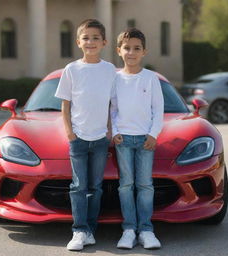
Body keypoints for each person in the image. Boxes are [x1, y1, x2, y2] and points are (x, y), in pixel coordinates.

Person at [55, 19, 116, 251]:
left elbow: (113, 104)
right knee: (78, 186)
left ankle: (90, 230)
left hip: (101, 139)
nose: (90, 42)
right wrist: (70, 133)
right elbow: (65, 105)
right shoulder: (71, 69)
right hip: (78, 138)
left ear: (104, 42)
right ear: (78, 41)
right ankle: (78, 231)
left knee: (96, 187)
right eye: (86, 38)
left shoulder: (110, 69)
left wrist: (110, 132)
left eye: (95, 38)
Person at [110, 28, 164, 249]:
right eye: (127, 48)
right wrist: (114, 132)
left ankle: (146, 230)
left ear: (144, 52)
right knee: (125, 185)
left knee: (145, 185)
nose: (131, 52)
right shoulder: (114, 79)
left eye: (136, 48)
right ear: (119, 51)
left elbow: (158, 110)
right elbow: (111, 110)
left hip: (145, 140)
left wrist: (153, 134)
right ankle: (129, 230)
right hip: (123, 140)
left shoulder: (151, 78)